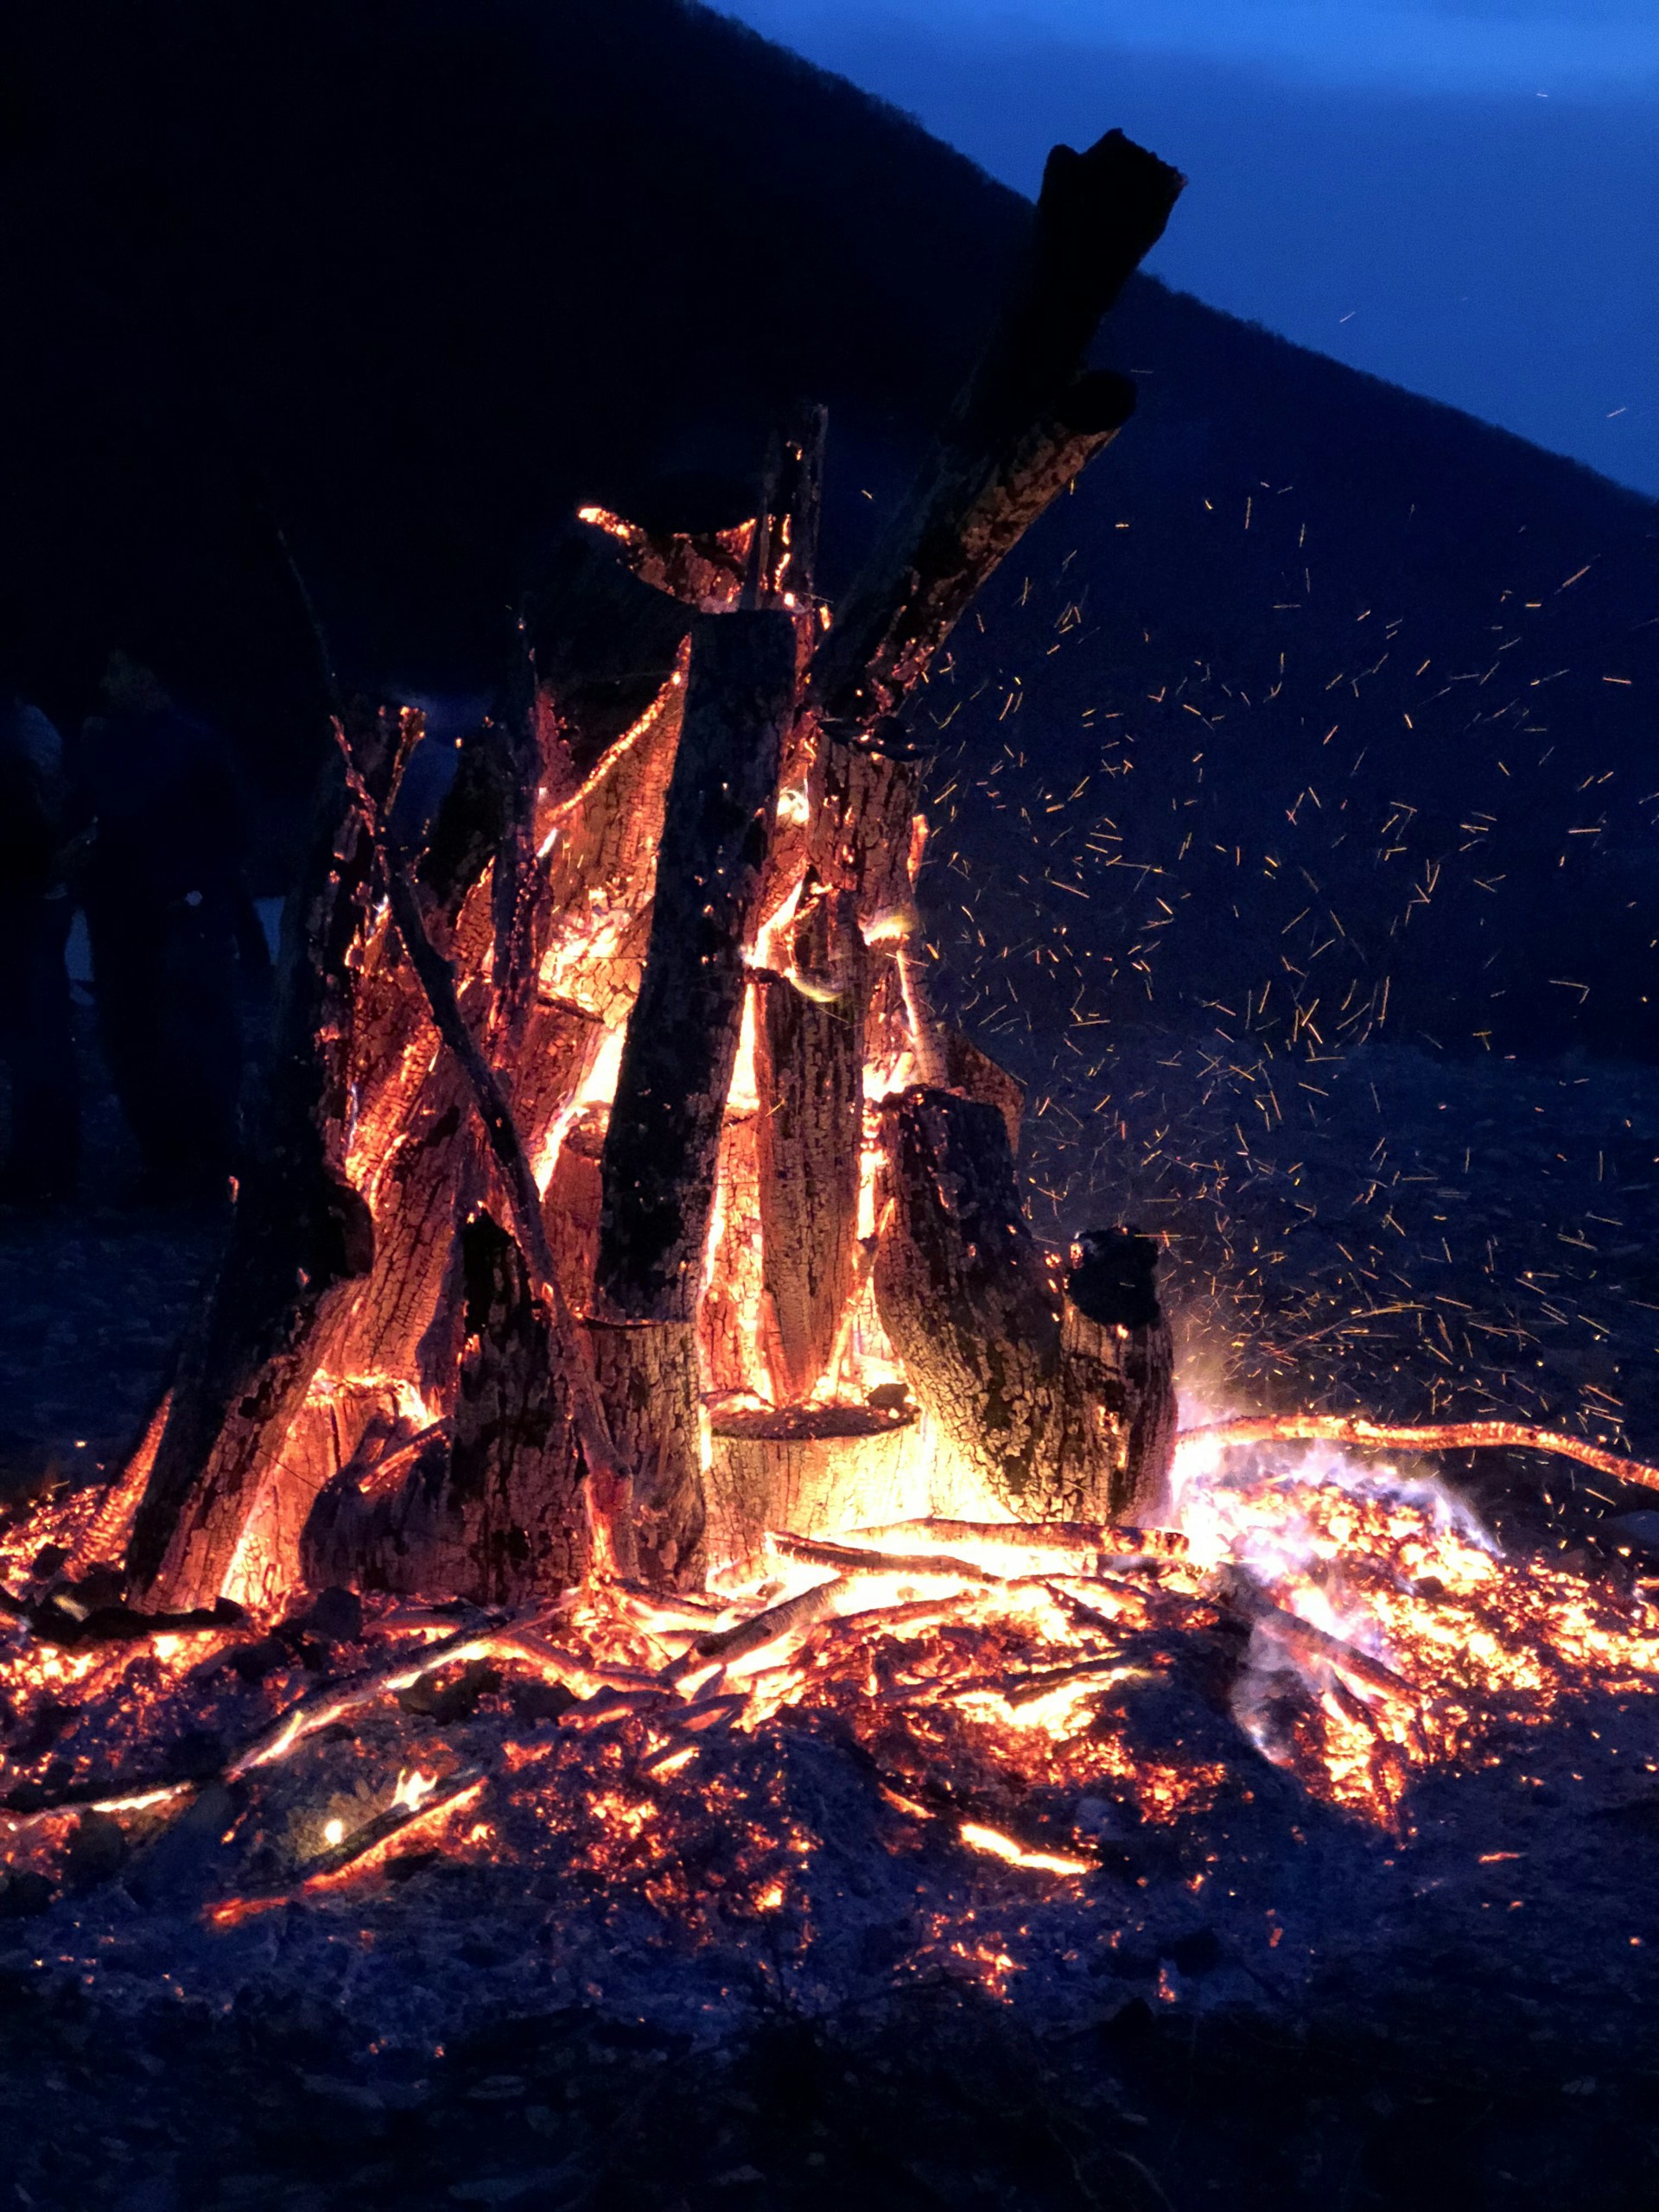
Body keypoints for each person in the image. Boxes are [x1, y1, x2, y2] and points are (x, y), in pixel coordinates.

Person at [78, 650, 270, 1197]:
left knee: (194, 1033)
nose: (106, 682)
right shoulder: (108, 743)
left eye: (117, 670)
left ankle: (209, 1159)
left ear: (147, 673)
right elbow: (93, 817)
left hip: (178, 914)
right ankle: (164, 1159)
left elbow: (230, 831)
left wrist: (195, 892)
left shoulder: (190, 745)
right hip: (123, 916)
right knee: (134, 1036)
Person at [0, 682, 79, 1203]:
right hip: (28, 892)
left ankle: (45, 1167)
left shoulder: (21, 735)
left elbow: (32, 825)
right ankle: (38, 1160)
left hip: (25, 895)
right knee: (29, 1030)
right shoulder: (27, 731)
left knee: (36, 1030)